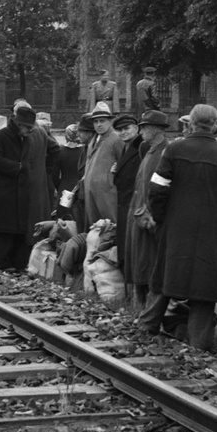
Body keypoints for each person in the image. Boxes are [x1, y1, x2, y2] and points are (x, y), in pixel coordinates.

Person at [144, 104, 217, 351]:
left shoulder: (174, 150)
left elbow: (156, 189)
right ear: (214, 126)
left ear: (190, 124)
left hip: (175, 229)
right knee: (205, 290)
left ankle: (146, 329)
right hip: (211, 234)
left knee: (164, 279)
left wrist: (161, 219)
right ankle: (199, 345)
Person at [0, 106, 60, 273]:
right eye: (27, 127)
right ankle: (4, 266)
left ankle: (19, 266)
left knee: (22, 231)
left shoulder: (26, 138)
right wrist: (18, 167)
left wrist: (42, 172)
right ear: (18, 124)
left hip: (23, 195)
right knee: (4, 231)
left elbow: (51, 152)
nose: (30, 130)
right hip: (4, 195)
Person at [124, 110, 170, 306]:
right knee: (139, 265)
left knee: (149, 267)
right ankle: (140, 310)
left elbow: (160, 190)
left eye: (144, 127)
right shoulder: (149, 150)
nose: (141, 131)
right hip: (139, 217)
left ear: (156, 129)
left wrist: (151, 216)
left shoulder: (164, 153)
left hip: (149, 221)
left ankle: (149, 313)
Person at [83, 102, 124, 225]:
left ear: (110, 121)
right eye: (96, 122)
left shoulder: (116, 139)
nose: (99, 124)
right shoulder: (93, 140)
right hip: (90, 192)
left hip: (108, 194)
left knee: (109, 227)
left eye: (102, 121)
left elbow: (124, 164)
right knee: (94, 229)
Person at [113, 114, 143, 271]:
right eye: (119, 130)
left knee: (131, 247)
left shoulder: (141, 147)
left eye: (126, 128)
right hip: (124, 202)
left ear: (136, 129)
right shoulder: (126, 147)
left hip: (133, 203)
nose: (123, 132)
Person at [55, 124, 84, 221]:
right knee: (78, 217)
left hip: (64, 188)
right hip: (80, 188)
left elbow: (54, 175)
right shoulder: (84, 151)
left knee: (63, 218)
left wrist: (59, 187)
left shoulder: (60, 150)